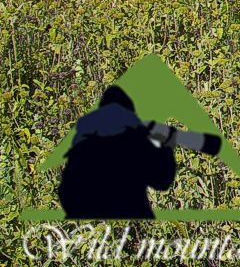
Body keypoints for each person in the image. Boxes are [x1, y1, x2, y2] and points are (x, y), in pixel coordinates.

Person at [55, 86, 175, 221]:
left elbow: (66, 192)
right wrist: (164, 148)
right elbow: (162, 181)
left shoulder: (84, 145)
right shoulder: (137, 142)